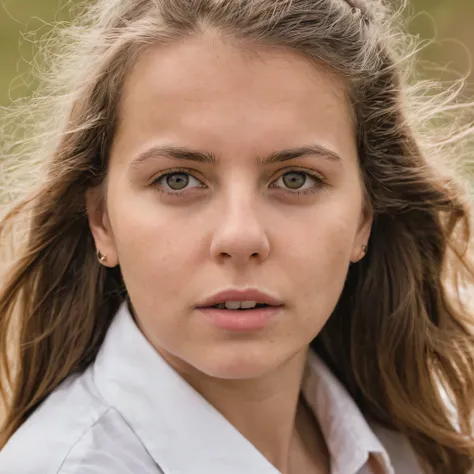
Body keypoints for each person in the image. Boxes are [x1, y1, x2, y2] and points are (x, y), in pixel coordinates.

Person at [0, 0, 473, 472]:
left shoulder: (428, 444)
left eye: (295, 179)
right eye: (178, 180)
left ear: (364, 217)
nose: (241, 236)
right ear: (102, 221)